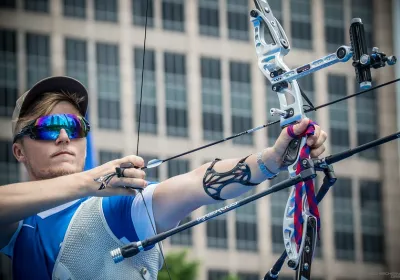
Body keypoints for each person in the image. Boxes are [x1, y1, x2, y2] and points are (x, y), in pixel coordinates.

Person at [0, 76, 327, 280]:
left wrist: (270, 160)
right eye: (46, 128)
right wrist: (89, 180)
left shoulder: (114, 209)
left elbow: (193, 184)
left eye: (75, 127)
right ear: (19, 151)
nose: (63, 138)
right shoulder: (15, 230)